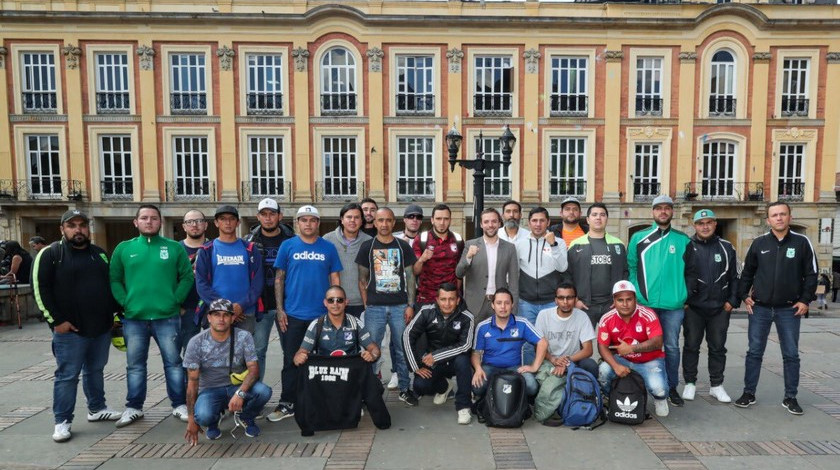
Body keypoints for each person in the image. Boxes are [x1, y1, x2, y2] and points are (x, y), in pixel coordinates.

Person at [33, 209, 122, 442]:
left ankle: (97, 408)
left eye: (82, 225)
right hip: (70, 330)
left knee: (95, 370)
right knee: (67, 376)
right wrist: (56, 322)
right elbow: (40, 289)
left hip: (100, 328)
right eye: (72, 225)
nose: (78, 230)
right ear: (62, 229)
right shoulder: (50, 254)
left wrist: (115, 315)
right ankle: (62, 420)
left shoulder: (99, 254)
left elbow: (110, 287)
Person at [109, 204, 194, 427]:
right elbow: (114, 279)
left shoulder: (174, 248)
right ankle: (134, 407)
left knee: (174, 363)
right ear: (136, 222)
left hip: (167, 316)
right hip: (135, 318)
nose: (149, 221)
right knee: (135, 365)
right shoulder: (124, 249)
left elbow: (186, 277)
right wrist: (124, 301)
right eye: (144, 218)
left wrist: (175, 300)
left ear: (160, 222)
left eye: (154, 218)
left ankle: (179, 404)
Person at [735, 201, 818, 415]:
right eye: (774, 215)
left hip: (789, 309)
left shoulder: (802, 243)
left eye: (783, 214)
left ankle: (790, 397)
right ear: (768, 219)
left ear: (790, 217)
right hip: (760, 308)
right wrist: (744, 296)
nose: (779, 218)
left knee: (791, 354)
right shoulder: (759, 243)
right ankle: (748, 393)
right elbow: (747, 273)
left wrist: (805, 300)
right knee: (754, 352)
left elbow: (811, 274)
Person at [267, 205, 342, 422]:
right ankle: (287, 402)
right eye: (303, 220)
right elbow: (279, 278)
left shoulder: (328, 248)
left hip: (321, 315)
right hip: (293, 314)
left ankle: (322, 400)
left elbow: (334, 278)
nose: (308, 224)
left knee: (323, 361)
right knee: (291, 360)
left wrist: (336, 308)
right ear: (296, 223)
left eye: (312, 220)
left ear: (318, 223)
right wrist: (280, 310)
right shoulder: (287, 246)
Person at [627, 194, 690, 407]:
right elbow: (632, 268)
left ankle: (671, 387)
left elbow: (691, 272)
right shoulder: (638, 238)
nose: (663, 212)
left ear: (672, 211)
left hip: (674, 305)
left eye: (667, 208)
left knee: (671, 346)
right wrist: (637, 294)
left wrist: (685, 295)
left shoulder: (683, 240)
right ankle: (644, 385)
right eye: (658, 208)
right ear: (652, 212)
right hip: (646, 304)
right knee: (643, 345)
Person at [183, 299, 272, 443]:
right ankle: (213, 422)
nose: (221, 319)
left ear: (233, 318)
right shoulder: (196, 342)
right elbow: (192, 384)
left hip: (236, 386)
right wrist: (191, 420)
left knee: (264, 392)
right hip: (210, 390)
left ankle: (246, 416)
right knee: (203, 415)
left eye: (226, 315)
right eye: (216, 314)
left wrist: (240, 393)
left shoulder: (244, 336)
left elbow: (254, 370)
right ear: (209, 317)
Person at [356, 207, 418, 405]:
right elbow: (362, 278)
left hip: (400, 306)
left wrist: (410, 305)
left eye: (388, 220)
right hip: (375, 307)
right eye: (380, 220)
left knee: (401, 348)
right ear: (374, 222)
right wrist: (368, 304)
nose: (384, 224)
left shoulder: (403, 246)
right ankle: (371, 390)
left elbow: (410, 277)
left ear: (394, 223)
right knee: (372, 349)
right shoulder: (367, 246)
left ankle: (405, 388)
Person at [681, 209, 738, 403]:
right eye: (700, 223)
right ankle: (689, 383)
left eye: (708, 223)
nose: (704, 227)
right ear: (694, 225)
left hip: (719, 308)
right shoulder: (686, 246)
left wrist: (732, 301)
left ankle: (716, 385)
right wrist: (684, 301)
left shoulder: (726, 247)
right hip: (693, 308)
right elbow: (680, 275)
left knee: (717, 348)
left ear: (715, 224)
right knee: (691, 346)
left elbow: (734, 277)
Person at [404, 283, 475, 424]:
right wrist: (416, 366)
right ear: (437, 299)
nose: (447, 304)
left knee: (463, 361)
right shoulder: (426, 311)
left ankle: (464, 406)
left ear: (458, 300)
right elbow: (407, 335)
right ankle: (444, 387)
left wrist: (436, 356)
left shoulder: (467, 317)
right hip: (434, 363)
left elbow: (465, 345)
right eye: (443, 299)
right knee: (420, 385)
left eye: (451, 299)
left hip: (454, 360)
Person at [598, 281, 670, 418]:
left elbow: (657, 342)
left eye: (629, 299)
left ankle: (659, 399)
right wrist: (615, 366)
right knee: (603, 370)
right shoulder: (607, 319)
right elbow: (602, 346)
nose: (625, 304)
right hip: (622, 360)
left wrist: (631, 348)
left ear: (635, 299)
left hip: (649, 360)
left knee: (659, 389)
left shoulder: (647, 314)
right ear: (614, 301)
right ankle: (611, 397)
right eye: (620, 300)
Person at [243, 198, 296, 380]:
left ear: (279, 216)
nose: (268, 218)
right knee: (258, 351)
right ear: (258, 217)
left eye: (272, 214)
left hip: (288, 306)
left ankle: (292, 395)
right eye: (264, 214)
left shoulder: (292, 240)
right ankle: (256, 394)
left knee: (290, 351)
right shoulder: (248, 242)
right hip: (261, 305)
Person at [533, 282, 599, 422]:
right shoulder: (543, 315)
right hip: (550, 360)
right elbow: (538, 346)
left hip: (574, 360)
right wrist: (553, 360)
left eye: (569, 298)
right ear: (555, 299)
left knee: (591, 365)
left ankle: (587, 396)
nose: (565, 302)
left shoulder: (582, 316)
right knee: (534, 383)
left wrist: (567, 361)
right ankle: (561, 400)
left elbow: (588, 350)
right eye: (561, 298)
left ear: (575, 299)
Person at [195, 205, 263, 337]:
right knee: (216, 354)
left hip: (245, 312)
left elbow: (258, 282)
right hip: (217, 313)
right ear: (216, 223)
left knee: (243, 355)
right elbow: (201, 284)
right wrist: (225, 308)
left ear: (238, 223)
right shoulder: (206, 250)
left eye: (232, 219)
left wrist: (241, 306)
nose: (227, 222)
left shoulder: (250, 249)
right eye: (223, 219)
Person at [472, 288, 546, 405]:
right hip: (490, 367)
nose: (503, 307)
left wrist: (534, 367)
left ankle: (517, 402)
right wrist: (478, 368)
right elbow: (476, 353)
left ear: (512, 305)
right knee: (477, 387)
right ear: (492, 305)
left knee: (532, 387)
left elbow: (542, 343)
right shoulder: (482, 326)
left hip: (514, 367)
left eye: (507, 303)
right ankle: (489, 400)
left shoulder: (522, 323)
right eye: (499, 303)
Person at [515, 206, 567, 364]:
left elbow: (562, 267)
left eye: (542, 221)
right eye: (534, 221)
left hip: (550, 301)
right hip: (526, 302)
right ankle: (530, 375)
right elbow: (514, 271)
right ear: (528, 223)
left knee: (552, 340)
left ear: (548, 222)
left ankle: (550, 373)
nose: (538, 224)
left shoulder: (559, 242)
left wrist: (554, 245)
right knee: (528, 342)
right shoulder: (519, 244)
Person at [566, 202, 628, 328]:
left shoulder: (618, 245)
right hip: (584, 305)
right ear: (588, 219)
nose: (598, 217)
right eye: (594, 215)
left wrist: (620, 299)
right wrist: (575, 300)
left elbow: (625, 274)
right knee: (583, 344)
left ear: (607, 219)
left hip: (611, 305)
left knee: (612, 345)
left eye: (602, 215)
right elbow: (568, 275)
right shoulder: (575, 245)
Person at [456, 208, 519, 323]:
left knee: (499, 339)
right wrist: (468, 257)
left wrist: (513, 310)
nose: (490, 225)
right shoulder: (470, 245)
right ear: (481, 224)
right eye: (486, 222)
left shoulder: (510, 248)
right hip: (475, 305)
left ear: (500, 223)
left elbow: (514, 282)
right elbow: (459, 273)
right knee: (474, 339)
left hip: (500, 304)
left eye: (494, 221)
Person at [324, 203, 371, 317]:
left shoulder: (369, 242)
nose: (352, 221)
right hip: (334, 303)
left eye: (357, 217)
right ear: (342, 219)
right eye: (349, 217)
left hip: (361, 303)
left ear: (361, 221)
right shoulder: (327, 240)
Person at [413, 204, 463, 306]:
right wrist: (422, 259)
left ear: (450, 220)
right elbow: (414, 271)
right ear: (432, 220)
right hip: (426, 298)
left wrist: (457, 293)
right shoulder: (422, 239)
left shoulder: (458, 239)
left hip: (449, 299)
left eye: (446, 219)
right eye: (438, 218)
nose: (442, 223)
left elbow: (460, 271)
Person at [179, 210, 208, 354]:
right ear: (184, 226)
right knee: (190, 354)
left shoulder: (214, 247)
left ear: (206, 225)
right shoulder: (176, 249)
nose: (194, 225)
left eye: (199, 221)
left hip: (210, 308)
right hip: (186, 309)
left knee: (213, 353)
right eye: (189, 222)